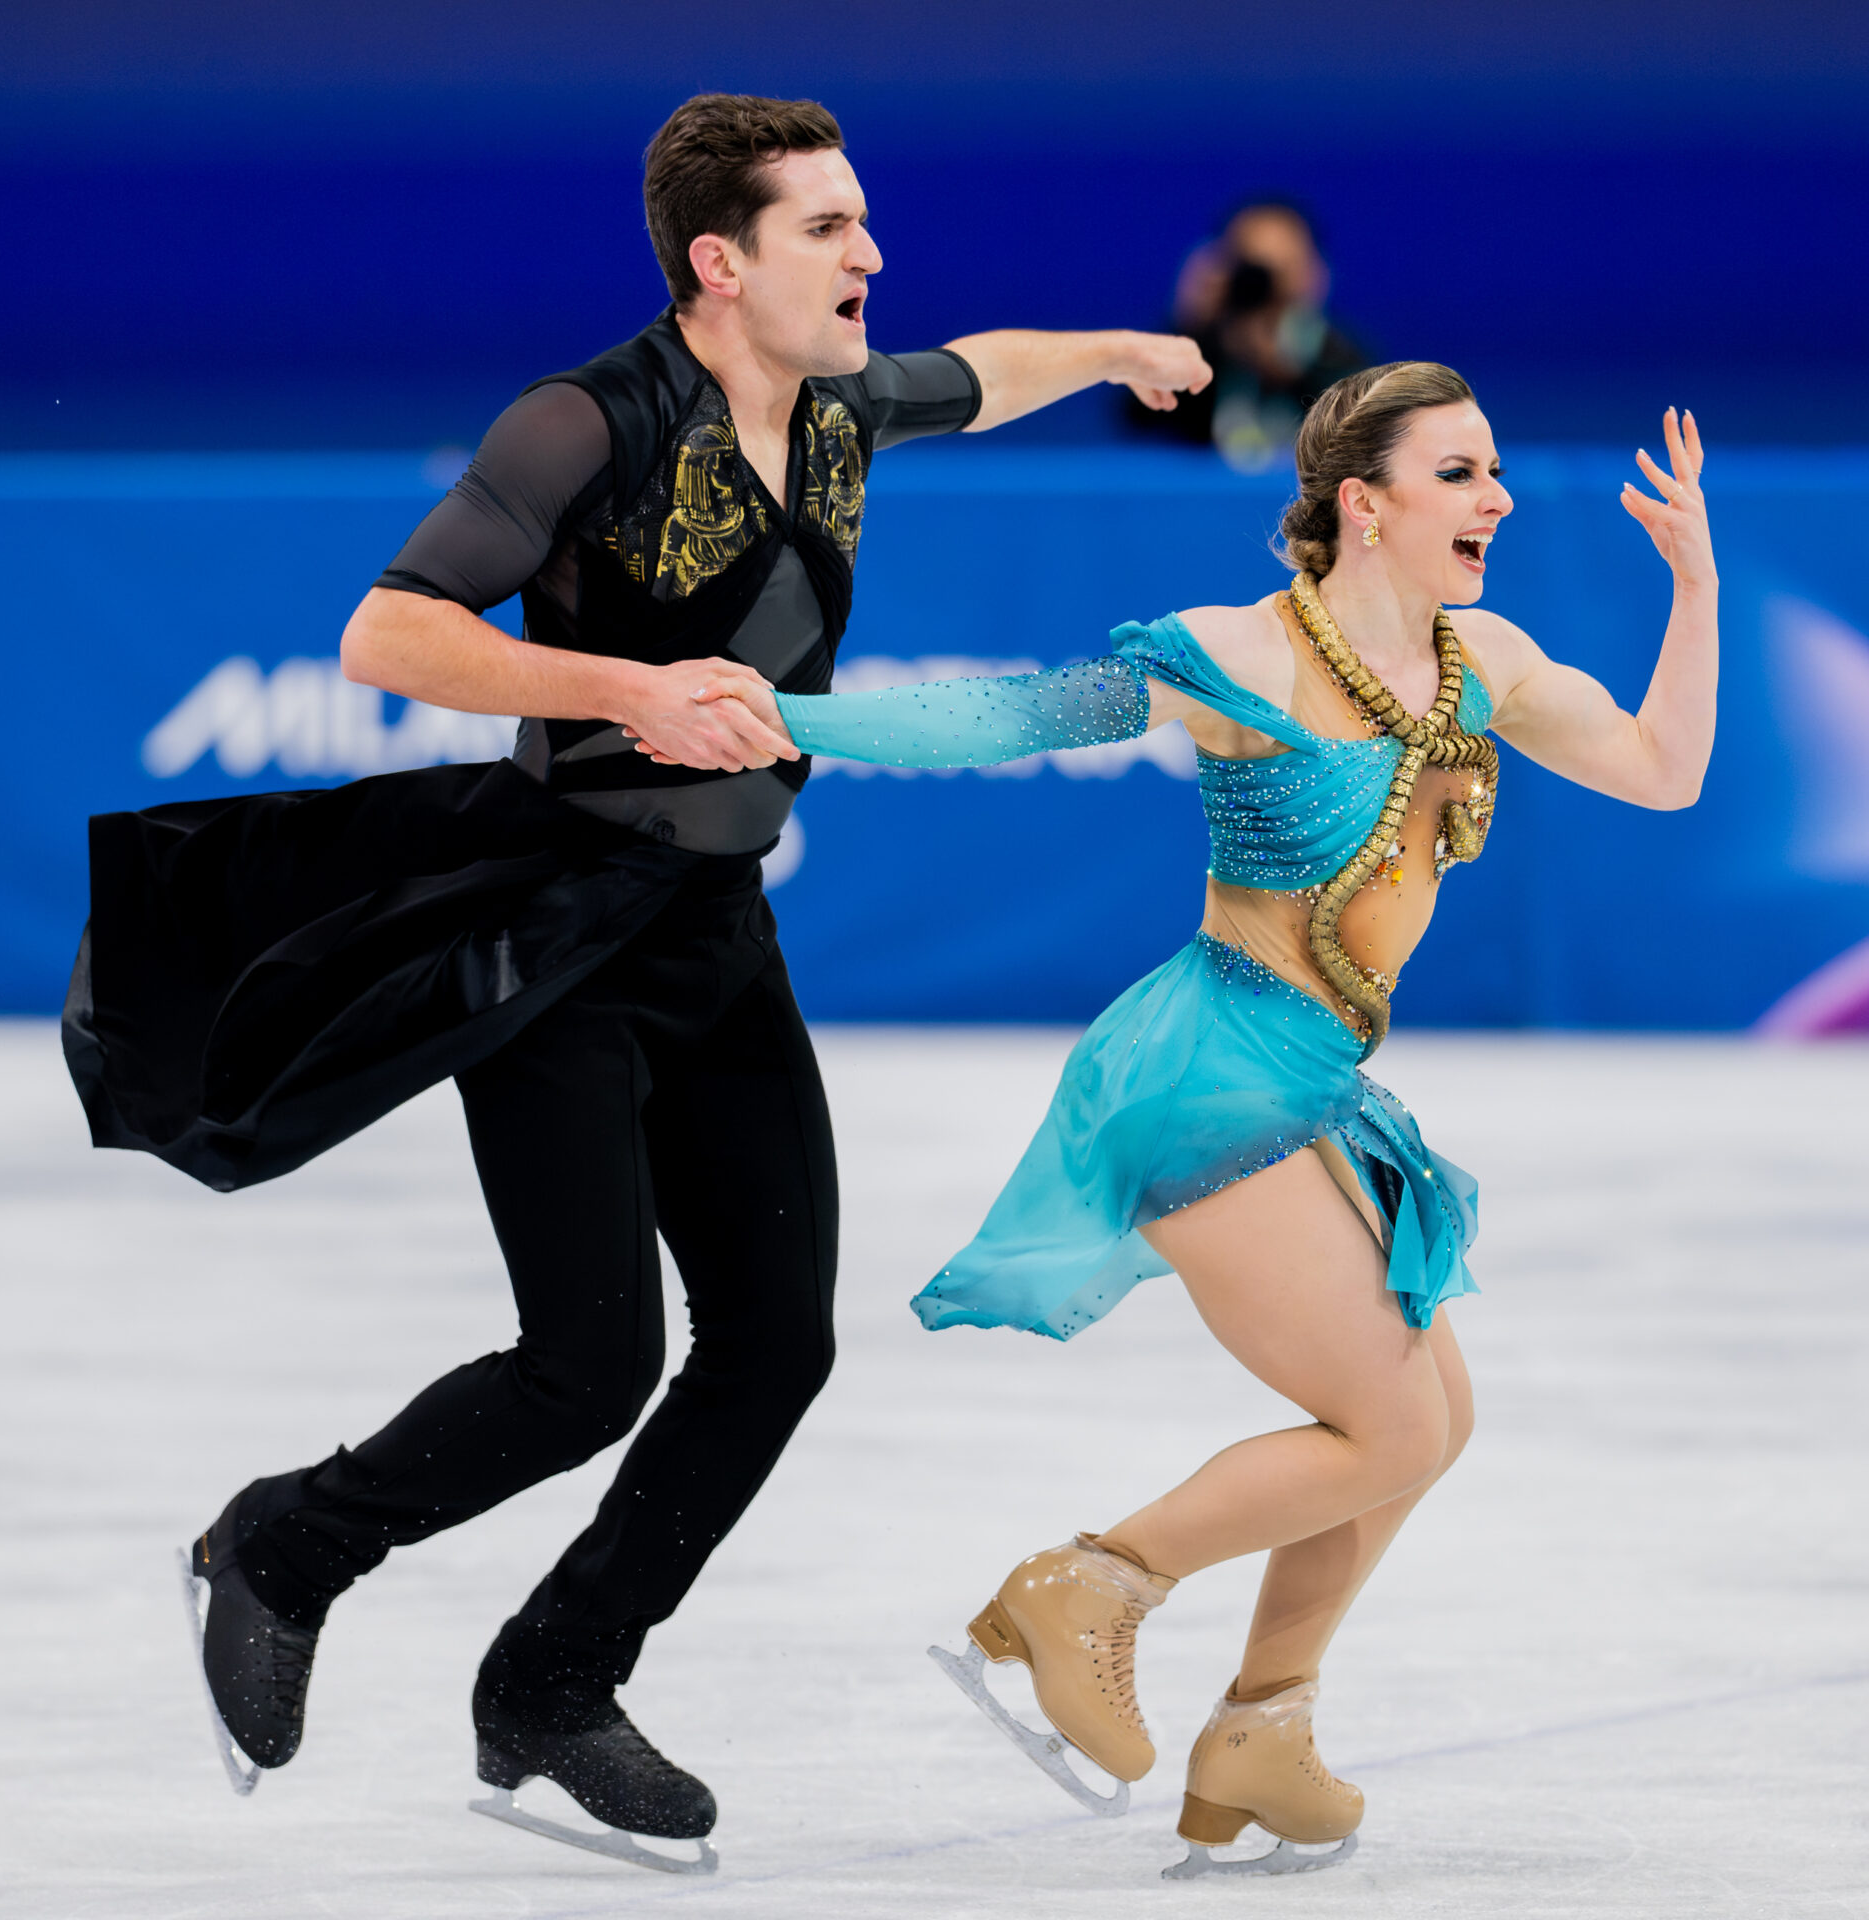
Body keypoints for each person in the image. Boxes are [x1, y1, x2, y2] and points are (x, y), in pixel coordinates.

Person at [63, 93, 1210, 1870]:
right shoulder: (588, 419)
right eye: (830, 228)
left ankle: (553, 1680)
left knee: (776, 1345)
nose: (871, 253)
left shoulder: (841, 404)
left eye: (863, 220)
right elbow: (390, 631)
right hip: (559, 933)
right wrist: (628, 689)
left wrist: (1121, 351)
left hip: (716, 929)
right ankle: (282, 1548)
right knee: (588, 1366)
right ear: (719, 263)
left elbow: (984, 372)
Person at [677, 366, 1715, 1875]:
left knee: (1433, 1422)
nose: (1498, 499)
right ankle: (1087, 1587)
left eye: (1495, 472)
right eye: (1460, 473)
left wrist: (1695, 587)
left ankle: (1263, 1726)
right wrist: (784, 714)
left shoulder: (1478, 662)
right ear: (1365, 504)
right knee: (1393, 1421)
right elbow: (1014, 714)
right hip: (1205, 1070)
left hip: (1317, 1081)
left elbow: (1666, 772)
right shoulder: (1243, 652)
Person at [1128, 197, 1368, 469]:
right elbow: (1137, 422)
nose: (1267, 286)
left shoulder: (1340, 359)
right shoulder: (1201, 350)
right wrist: (1187, 326)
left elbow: (1363, 433)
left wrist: (1290, 366)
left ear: (1315, 273)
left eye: (1284, 267)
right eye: (1253, 268)